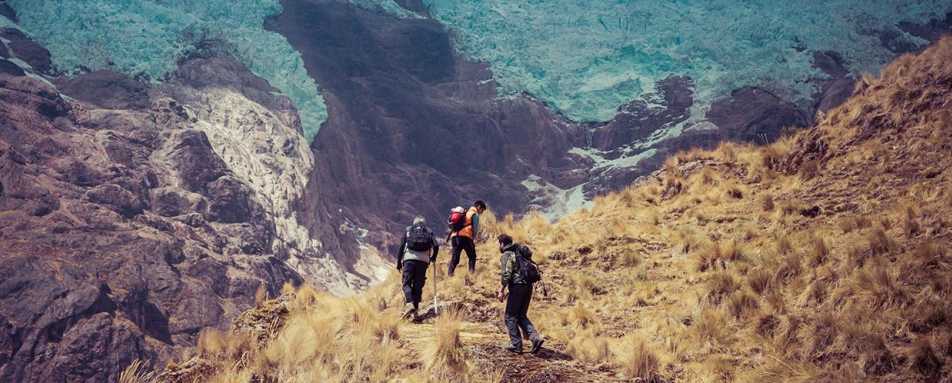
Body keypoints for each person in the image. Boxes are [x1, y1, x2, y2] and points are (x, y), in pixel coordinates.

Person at [496, 234, 544, 354]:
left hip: (517, 287)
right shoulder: (520, 253)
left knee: (510, 317)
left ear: (502, 244)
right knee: (521, 315)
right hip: (528, 286)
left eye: (499, 244)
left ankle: (516, 344)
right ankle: (535, 338)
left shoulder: (507, 255)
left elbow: (506, 274)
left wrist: (501, 290)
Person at [395, 216, 439, 320]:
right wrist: (433, 257)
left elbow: (402, 246)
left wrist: (398, 262)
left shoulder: (408, 230)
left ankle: (409, 304)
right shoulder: (429, 231)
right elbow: (436, 245)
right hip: (423, 261)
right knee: (418, 286)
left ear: (414, 223)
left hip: (409, 259)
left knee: (406, 283)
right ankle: (416, 313)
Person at [448, 200, 486, 276]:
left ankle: (450, 273)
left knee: (455, 256)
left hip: (455, 237)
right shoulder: (474, 214)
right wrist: (474, 238)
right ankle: (471, 273)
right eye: (482, 210)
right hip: (465, 237)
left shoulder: (465, 213)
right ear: (478, 207)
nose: (481, 212)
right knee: (472, 256)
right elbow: (475, 228)